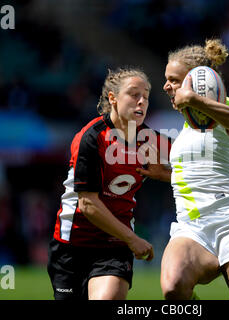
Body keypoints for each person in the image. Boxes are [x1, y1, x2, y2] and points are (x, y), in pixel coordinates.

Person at [158, 38, 229, 300]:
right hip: (191, 226)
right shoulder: (189, 124)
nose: (167, 85)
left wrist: (195, 99)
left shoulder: (222, 106)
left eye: (174, 80)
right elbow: (216, 162)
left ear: (196, 82)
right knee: (173, 288)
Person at [47, 67, 171, 300]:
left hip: (115, 246)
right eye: (134, 94)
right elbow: (88, 204)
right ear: (113, 98)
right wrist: (134, 239)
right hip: (71, 245)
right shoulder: (91, 137)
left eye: (146, 96)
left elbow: (197, 164)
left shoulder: (151, 140)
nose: (142, 101)